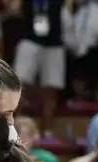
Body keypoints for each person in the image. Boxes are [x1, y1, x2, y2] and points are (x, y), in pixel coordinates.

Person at [13, 0, 65, 131]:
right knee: (19, 86)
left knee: (51, 91)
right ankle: (10, 128)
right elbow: (13, 8)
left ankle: (47, 132)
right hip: (30, 40)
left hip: (55, 43)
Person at [61, 0, 98, 100]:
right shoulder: (64, 11)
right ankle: (67, 92)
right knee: (58, 53)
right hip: (69, 50)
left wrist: (95, 40)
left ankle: (90, 90)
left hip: (89, 51)